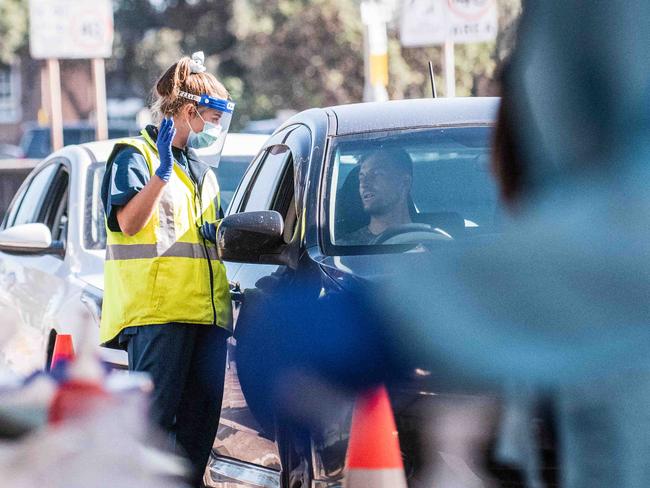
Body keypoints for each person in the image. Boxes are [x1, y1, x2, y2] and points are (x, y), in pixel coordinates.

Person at [99, 51, 234, 486]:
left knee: (195, 443)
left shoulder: (203, 170)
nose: (215, 130)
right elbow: (129, 223)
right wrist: (159, 176)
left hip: (206, 320)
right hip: (158, 317)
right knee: (152, 437)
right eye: (212, 119)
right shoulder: (134, 155)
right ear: (190, 111)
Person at [338, 148, 414, 244]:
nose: (364, 184)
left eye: (377, 174)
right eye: (361, 177)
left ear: (404, 183)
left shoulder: (432, 242)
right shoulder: (343, 250)